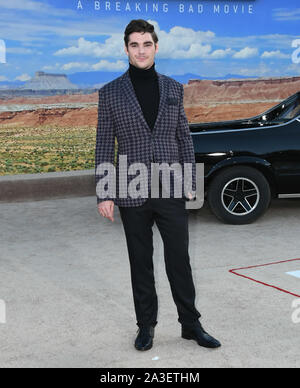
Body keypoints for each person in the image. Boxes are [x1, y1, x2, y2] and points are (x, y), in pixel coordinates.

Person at [95, 19, 221, 350]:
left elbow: (183, 136)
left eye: (146, 44)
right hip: (131, 189)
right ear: (126, 49)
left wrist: (191, 181)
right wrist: (104, 193)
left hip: (171, 187)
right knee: (141, 261)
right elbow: (104, 144)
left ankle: (191, 325)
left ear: (156, 47)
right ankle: (146, 326)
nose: (140, 50)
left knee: (179, 258)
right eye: (134, 45)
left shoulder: (173, 88)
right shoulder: (110, 93)